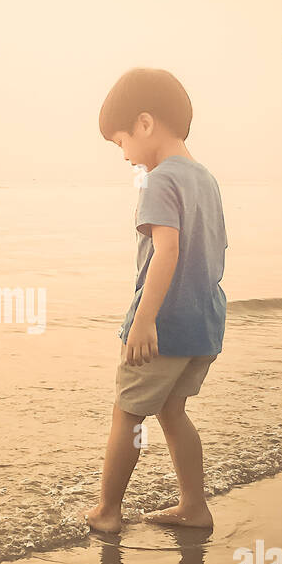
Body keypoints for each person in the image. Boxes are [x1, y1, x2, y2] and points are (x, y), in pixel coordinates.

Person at [86, 68, 226, 533]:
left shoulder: (159, 181)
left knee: (127, 412)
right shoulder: (205, 179)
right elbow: (214, 250)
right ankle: (193, 505)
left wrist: (144, 320)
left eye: (120, 142)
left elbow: (167, 250)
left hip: (163, 325)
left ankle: (107, 510)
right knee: (172, 411)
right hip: (203, 325)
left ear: (144, 124)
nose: (124, 157)